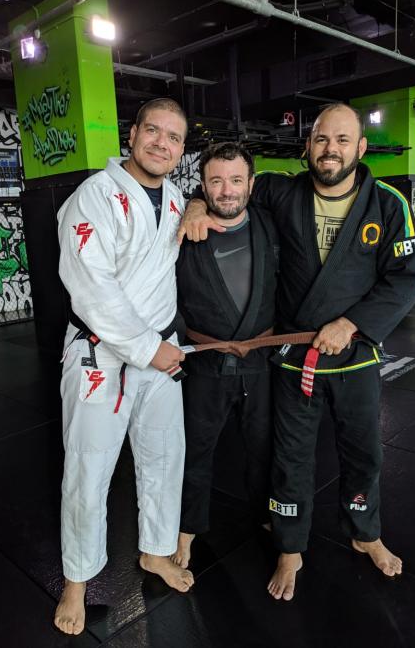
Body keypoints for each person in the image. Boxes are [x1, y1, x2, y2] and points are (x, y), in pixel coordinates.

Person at [178, 103, 415, 601]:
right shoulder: (281, 191)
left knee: (364, 451)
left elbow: (404, 280)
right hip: (293, 354)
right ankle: (290, 546)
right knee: (289, 455)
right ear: (308, 146)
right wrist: (194, 205)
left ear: (361, 147)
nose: (331, 149)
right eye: (321, 139)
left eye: (342, 140)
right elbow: (228, 190)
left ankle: (365, 532)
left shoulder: (388, 204)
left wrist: (352, 323)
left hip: (354, 353)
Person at [54, 98, 193, 635]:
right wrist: (146, 347)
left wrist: (198, 206)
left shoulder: (177, 198)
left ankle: (156, 550)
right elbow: (91, 287)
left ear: (182, 148)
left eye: (174, 137)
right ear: (131, 134)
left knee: (164, 457)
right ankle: (77, 580)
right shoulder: (93, 196)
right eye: (153, 131)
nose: (162, 143)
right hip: (101, 353)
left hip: (161, 352)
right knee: (88, 469)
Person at [171, 142, 278, 568]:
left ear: (251, 183)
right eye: (216, 181)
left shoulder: (271, 223)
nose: (227, 190)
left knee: (264, 447)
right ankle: (187, 528)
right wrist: (193, 208)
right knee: (194, 450)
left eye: (236, 180)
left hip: (260, 362)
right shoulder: (183, 231)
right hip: (205, 363)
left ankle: (267, 513)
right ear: (203, 185)